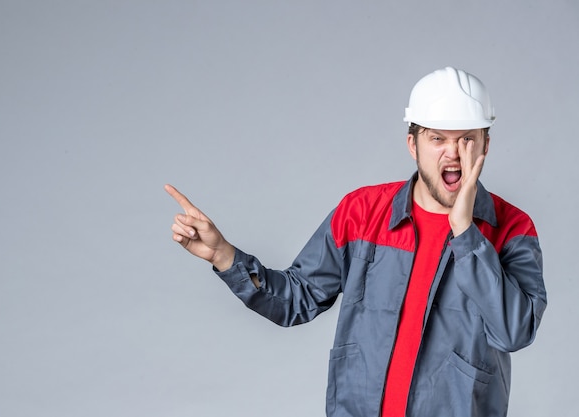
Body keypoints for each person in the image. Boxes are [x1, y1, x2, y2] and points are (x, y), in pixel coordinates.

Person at [165, 67, 547, 417]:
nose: (453, 152)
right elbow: (296, 299)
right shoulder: (361, 213)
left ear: (485, 147)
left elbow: (514, 331)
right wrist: (224, 256)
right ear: (413, 145)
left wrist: (466, 234)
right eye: (437, 138)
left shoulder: (512, 229)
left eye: (467, 139)